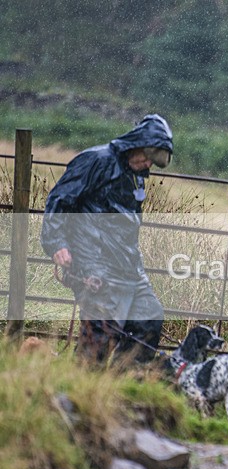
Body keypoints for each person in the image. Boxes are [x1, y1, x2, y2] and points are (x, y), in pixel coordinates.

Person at [41, 114, 173, 366]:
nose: (148, 163)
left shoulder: (136, 176)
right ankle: (81, 383)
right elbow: (59, 199)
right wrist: (56, 242)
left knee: (149, 317)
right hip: (93, 262)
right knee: (101, 331)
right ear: (135, 143)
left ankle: (123, 381)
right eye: (147, 155)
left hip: (128, 266)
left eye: (153, 161)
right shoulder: (96, 160)